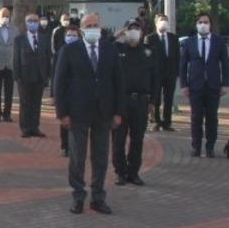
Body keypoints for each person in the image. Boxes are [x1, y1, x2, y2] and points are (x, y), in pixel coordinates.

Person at [53, 12, 125, 214]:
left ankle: (98, 197)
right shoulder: (69, 50)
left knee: (101, 157)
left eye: (96, 25)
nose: (93, 28)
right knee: (78, 157)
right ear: (82, 29)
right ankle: (78, 197)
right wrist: (62, 113)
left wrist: (119, 112)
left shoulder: (110, 50)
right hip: (77, 113)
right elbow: (60, 84)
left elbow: (119, 83)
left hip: (104, 112)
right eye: (89, 25)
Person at [113, 19, 158, 186]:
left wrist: (153, 101)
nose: (133, 31)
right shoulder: (117, 49)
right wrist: (118, 34)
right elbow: (103, 44)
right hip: (121, 101)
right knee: (118, 139)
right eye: (130, 28)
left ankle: (133, 172)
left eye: (136, 28)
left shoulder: (148, 52)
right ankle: (120, 172)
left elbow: (155, 79)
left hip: (141, 101)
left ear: (142, 32)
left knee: (137, 139)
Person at [179, 12, 229, 158]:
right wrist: (184, 85)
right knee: (196, 117)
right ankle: (196, 146)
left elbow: (225, 63)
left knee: (212, 117)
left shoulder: (219, 41)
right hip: (195, 86)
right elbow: (183, 65)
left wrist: (225, 84)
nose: (203, 24)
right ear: (196, 24)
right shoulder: (189, 42)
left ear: (210, 25)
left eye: (206, 22)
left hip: (213, 86)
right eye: (200, 22)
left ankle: (210, 147)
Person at [11, 11, 50, 138]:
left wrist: (47, 75)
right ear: (26, 23)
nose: (33, 23)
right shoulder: (19, 39)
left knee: (36, 103)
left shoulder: (44, 38)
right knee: (25, 102)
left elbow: (48, 57)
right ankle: (25, 128)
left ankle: (35, 127)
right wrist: (17, 76)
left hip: (39, 75)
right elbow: (15, 59)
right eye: (30, 21)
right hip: (24, 76)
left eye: (35, 21)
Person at [145, 13, 180, 131]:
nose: (163, 22)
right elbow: (146, 57)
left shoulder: (173, 38)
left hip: (170, 73)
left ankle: (167, 123)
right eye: (161, 20)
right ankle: (157, 121)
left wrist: (177, 72)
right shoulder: (150, 38)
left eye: (165, 20)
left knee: (169, 98)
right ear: (156, 23)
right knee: (156, 98)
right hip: (156, 74)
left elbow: (178, 56)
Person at [55, 20, 81, 158]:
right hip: (65, 92)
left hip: (78, 93)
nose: (71, 37)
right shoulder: (62, 51)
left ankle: (74, 146)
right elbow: (56, 76)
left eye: (74, 35)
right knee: (65, 121)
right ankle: (65, 146)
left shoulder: (82, 52)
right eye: (69, 35)